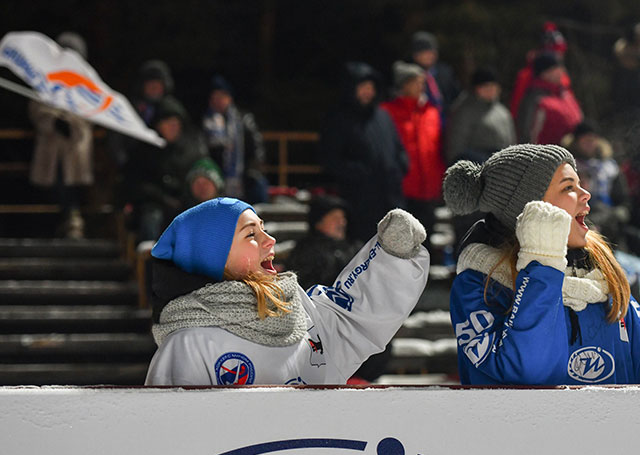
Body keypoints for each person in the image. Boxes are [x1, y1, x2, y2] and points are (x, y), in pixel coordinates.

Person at [443, 143, 640, 385]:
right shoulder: (479, 283)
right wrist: (542, 262)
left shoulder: (600, 276)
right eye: (568, 187)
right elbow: (529, 371)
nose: (585, 194)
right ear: (530, 209)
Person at [145, 197, 429, 386]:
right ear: (212, 257)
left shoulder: (295, 311)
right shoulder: (188, 345)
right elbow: (171, 447)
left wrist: (392, 256)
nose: (270, 240)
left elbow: (349, 323)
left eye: (264, 229)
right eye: (251, 235)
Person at [319, 61, 408, 243]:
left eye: (371, 87)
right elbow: (329, 158)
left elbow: (398, 148)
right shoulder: (338, 118)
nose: (368, 91)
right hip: (359, 202)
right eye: (363, 87)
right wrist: (358, 173)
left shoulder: (382, 116)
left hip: (390, 199)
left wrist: (401, 167)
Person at [28, 32, 93, 239]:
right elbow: (36, 107)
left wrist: (71, 123)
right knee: (53, 185)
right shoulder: (46, 78)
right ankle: (62, 224)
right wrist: (54, 121)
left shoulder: (87, 81)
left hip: (75, 144)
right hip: (51, 143)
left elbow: (94, 109)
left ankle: (72, 222)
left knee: (70, 184)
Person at [123, 96, 208, 242]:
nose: (173, 128)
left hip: (183, 203)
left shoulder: (190, 150)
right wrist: (162, 198)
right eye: (168, 123)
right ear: (158, 125)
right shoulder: (145, 150)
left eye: (176, 124)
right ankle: (149, 260)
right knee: (152, 218)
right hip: (153, 204)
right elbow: (136, 184)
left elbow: (197, 176)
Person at [381, 61, 446, 241]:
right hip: (403, 187)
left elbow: (438, 147)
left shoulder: (431, 112)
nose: (421, 86)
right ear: (404, 84)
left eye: (422, 82)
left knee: (426, 238)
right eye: (416, 82)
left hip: (429, 188)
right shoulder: (388, 111)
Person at [202, 75, 269, 204]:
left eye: (222, 96)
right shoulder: (208, 123)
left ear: (229, 98)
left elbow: (256, 147)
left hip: (242, 176)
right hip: (217, 175)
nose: (218, 101)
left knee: (258, 185)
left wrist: (253, 170)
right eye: (214, 97)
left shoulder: (243, 119)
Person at [563, 121, 631, 250]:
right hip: (580, 217)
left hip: (609, 220)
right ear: (577, 142)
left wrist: (619, 213)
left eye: (592, 140)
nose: (590, 144)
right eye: (585, 140)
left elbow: (623, 200)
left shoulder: (609, 168)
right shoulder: (569, 166)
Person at [285, 195, 362, 288]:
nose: (342, 223)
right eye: (335, 218)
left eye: (343, 218)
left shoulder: (355, 247)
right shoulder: (305, 251)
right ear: (318, 223)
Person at [446, 66, 515, 165]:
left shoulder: (502, 111)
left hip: (503, 167)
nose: (490, 90)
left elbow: (511, 141)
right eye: (485, 87)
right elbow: (455, 146)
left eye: (493, 86)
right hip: (477, 166)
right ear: (476, 89)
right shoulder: (464, 111)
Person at [515, 51, 583, 145]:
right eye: (555, 69)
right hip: (546, 154)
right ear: (544, 73)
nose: (561, 72)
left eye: (561, 68)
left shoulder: (565, 94)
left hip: (570, 153)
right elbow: (528, 132)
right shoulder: (536, 98)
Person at [509, 21, 571, 120]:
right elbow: (517, 107)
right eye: (556, 52)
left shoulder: (563, 77)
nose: (560, 56)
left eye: (561, 52)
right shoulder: (527, 75)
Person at [409, 30, 461, 128]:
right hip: (423, 124)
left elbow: (455, 96)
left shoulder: (445, 72)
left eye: (432, 52)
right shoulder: (410, 76)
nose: (430, 56)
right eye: (425, 52)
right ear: (416, 55)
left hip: (446, 123)